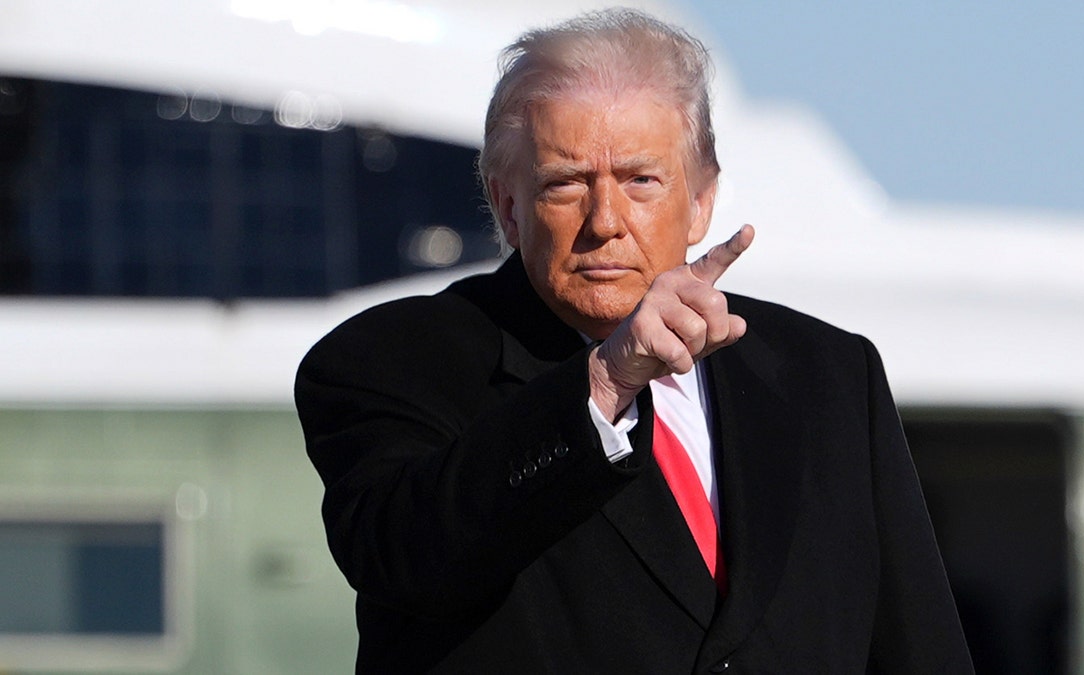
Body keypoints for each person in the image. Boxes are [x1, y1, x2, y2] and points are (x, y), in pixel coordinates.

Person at [296, 8, 972, 673]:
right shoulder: (388, 360)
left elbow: (917, 643)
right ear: (507, 205)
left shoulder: (828, 373)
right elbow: (405, 558)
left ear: (702, 199)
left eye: (640, 180)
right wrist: (604, 385)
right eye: (566, 184)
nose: (605, 221)